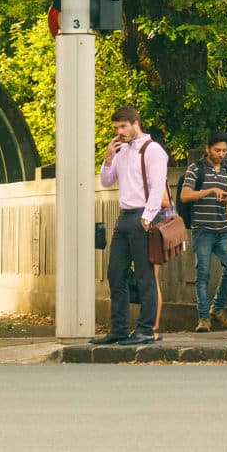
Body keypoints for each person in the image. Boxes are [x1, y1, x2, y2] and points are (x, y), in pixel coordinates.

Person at [95, 105, 166, 346]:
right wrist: (108, 157)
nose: (120, 132)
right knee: (116, 274)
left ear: (136, 123)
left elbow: (157, 187)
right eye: (116, 128)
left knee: (145, 277)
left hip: (142, 217)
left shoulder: (152, 150)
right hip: (124, 216)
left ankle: (145, 330)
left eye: (123, 126)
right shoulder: (122, 151)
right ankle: (120, 329)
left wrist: (147, 218)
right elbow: (106, 182)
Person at [180, 131, 227, 331]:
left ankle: (218, 308)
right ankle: (204, 319)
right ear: (207, 149)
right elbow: (185, 195)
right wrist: (210, 190)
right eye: (217, 150)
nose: (221, 154)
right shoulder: (196, 168)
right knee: (203, 275)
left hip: (223, 228)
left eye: (224, 150)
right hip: (202, 229)